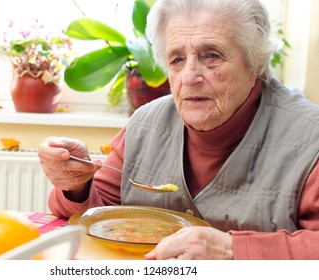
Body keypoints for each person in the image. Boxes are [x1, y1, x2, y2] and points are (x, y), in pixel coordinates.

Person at [38, 0, 319, 259]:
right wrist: (76, 185)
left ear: (254, 61)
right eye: (177, 59)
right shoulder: (145, 123)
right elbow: (96, 215)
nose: (189, 77)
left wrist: (231, 249)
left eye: (211, 55)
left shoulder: (310, 138)